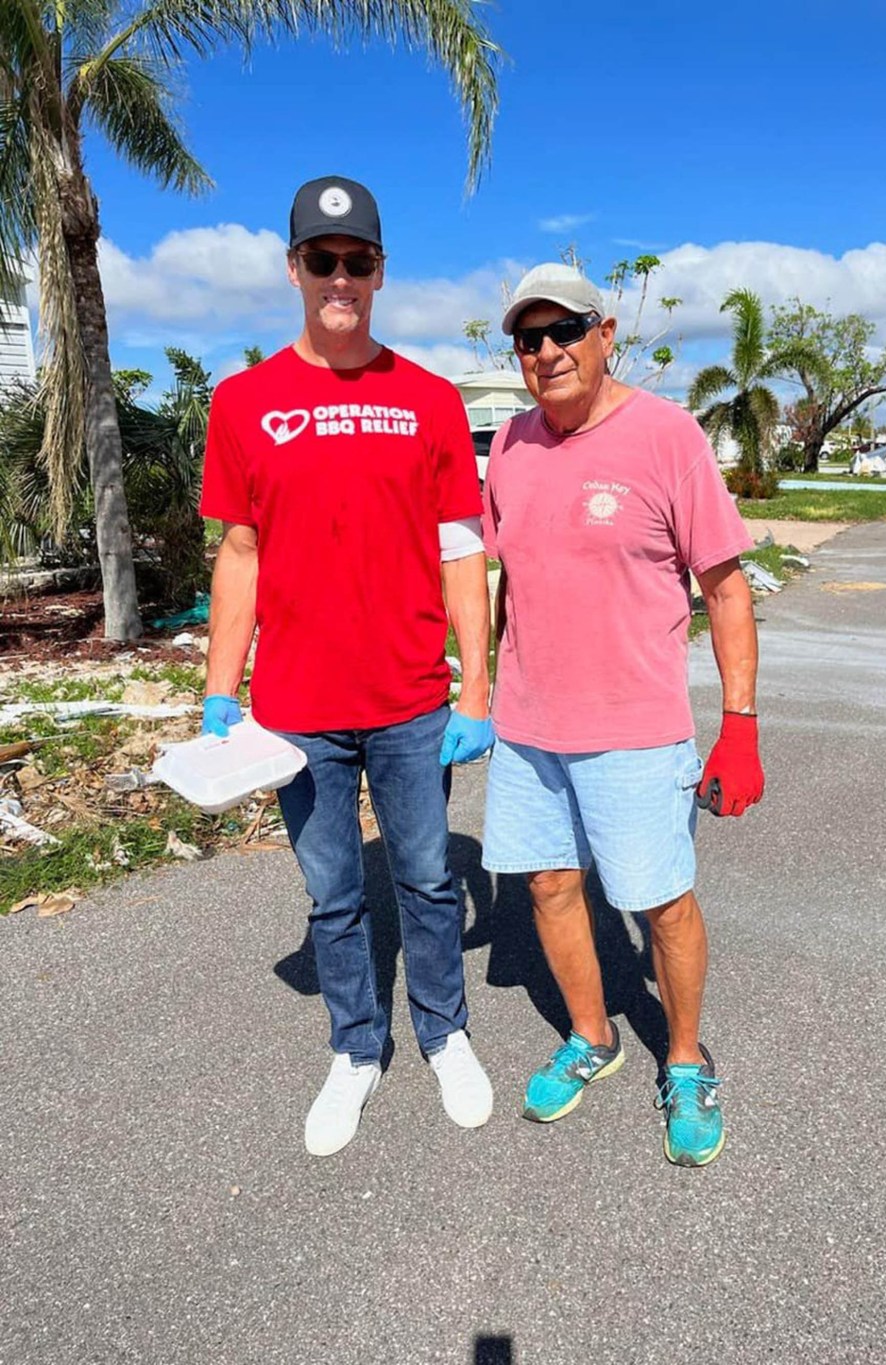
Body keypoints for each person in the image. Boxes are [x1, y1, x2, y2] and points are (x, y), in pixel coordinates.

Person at [199, 175, 495, 1157]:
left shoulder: (430, 400)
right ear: (294, 269)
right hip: (294, 710)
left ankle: (444, 1034)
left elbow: (463, 551)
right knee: (332, 894)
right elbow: (238, 554)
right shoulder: (242, 403)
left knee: (423, 880)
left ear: (378, 272)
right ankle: (355, 1050)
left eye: (356, 261)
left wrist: (478, 685)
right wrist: (218, 690)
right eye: (320, 260)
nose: (339, 277)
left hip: (412, 700)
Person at [481, 263, 764, 1166]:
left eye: (566, 329)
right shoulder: (511, 447)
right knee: (549, 886)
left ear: (606, 334)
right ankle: (593, 1034)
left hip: (637, 730)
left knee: (660, 904)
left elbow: (725, 587)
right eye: (531, 338)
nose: (550, 351)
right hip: (530, 730)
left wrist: (742, 724)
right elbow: (502, 582)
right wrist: (478, 688)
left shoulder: (665, 434)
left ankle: (684, 1057)